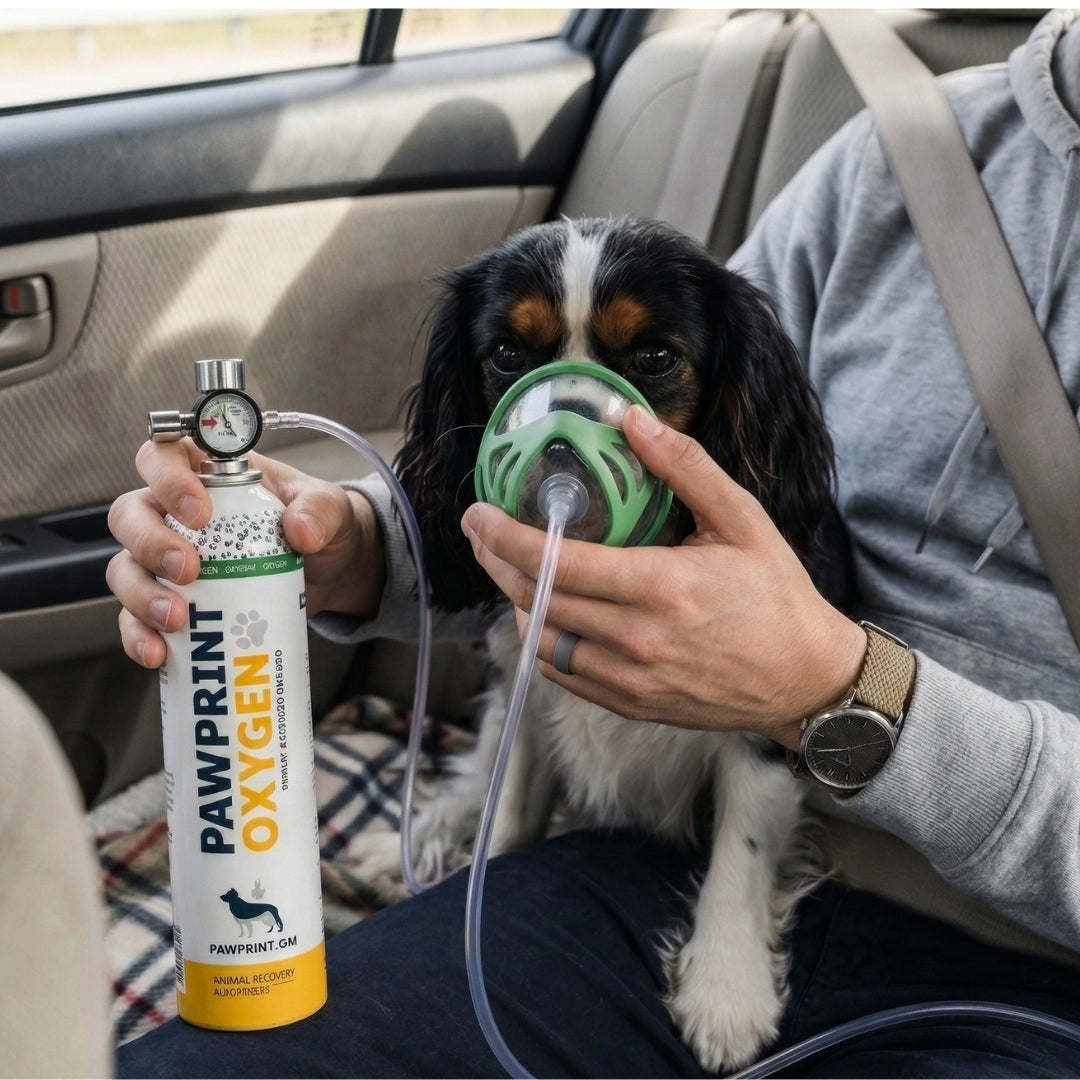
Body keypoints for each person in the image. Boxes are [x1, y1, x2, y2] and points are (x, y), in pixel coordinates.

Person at [107, 10, 1080, 1077]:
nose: (571, 406)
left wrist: (836, 692)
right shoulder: (903, 157)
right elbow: (557, 495)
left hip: (1027, 969)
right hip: (633, 867)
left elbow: (771, 482)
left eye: (643, 360)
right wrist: (352, 545)